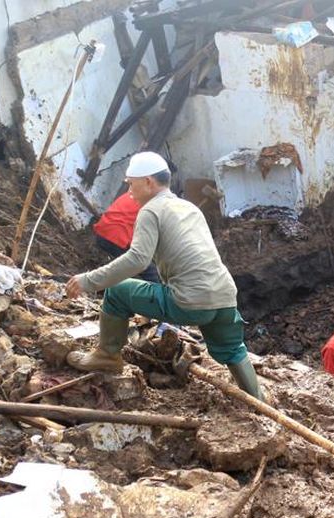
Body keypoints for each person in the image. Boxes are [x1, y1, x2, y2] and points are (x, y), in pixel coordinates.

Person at [65, 151, 263, 400]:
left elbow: (137, 259)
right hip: (224, 296)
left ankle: (106, 356)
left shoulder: (151, 210)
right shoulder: (188, 207)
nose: (129, 192)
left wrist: (88, 280)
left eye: (131, 184)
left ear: (148, 182)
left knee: (116, 291)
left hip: (189, 302)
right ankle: (257, 400)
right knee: (233, 349)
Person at [92, 192, 161, 283]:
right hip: (116, 238)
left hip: (102, 233)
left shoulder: (133, 193)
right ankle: (161, 295)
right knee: (150, 271)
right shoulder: (153, 204)